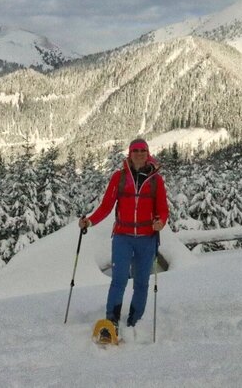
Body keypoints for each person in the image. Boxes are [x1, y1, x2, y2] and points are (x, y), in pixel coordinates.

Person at [79, 138, 169, 338]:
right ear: (130, 154)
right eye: (135, 150)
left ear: (148, 154)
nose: (139, 154)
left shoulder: (156, 180)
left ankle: (135, 321)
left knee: (142, 283)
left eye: (142, 150)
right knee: (119, 280)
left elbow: (163, 209)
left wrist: (160, 222)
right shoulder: (119, 178)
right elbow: (106, 206)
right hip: (122, 237)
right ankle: (111, 320)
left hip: (147, 238)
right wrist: (90, 221)